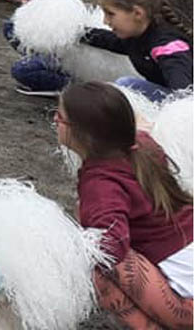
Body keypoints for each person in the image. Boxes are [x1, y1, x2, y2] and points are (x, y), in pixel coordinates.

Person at [56, 81, 193, 329]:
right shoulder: (142, 144)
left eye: (59, 117)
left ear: (81, 133)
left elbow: (112, 248)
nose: (55, 121)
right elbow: (138, 127)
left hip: (190, 305)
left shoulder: (101, 184)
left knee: (98, 266)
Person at [81, 0, 193, 102]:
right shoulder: (136, 37)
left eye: (110, 14)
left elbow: (185, 95)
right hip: (174, 98)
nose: (105, 21)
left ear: (138, 13)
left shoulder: (167, 46)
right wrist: (76, 32)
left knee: (126, 85)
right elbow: (107, 40)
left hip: (186, 104)